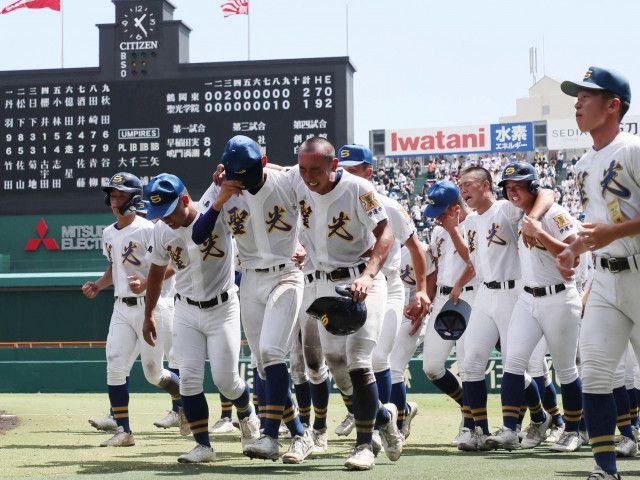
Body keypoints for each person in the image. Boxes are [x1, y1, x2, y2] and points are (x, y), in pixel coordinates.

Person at [192, 136, 314, 464]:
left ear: (263, 163)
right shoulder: (223, 190)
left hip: (286, 272)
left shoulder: (287, 179)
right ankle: (301, 435)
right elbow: (198, 234)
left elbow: (315, 208)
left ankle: (271, 437)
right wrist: (219, 198)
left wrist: (305, 245)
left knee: (273, 352)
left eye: (247, 175)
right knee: (262, 362)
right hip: (250, 279)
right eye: (236, 176)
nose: (242, 183)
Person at [287, 136, 404, 470]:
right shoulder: (299, 180)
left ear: (332, 165)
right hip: (317, 281)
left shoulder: (357, 189)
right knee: (334, 363)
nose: (309, 176)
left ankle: (364, 445)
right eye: (303, 168)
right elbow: (275, 175)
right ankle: (383, 416)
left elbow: (386, 232)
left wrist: (368, 275)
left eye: (316, 170)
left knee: (357, 360)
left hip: (358, 280)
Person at [557, 66, 640, 480]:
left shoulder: (633, 149)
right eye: (577, 95)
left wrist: (615, 231)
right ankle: (605, 469)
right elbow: (595, 227)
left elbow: (612, 227)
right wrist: (574, 246)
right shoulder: (586, 162)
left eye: (587, 95)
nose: (577, 102)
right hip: (605, 279)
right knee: (594, 370)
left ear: (612, 105)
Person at [141, 173, 260, 463]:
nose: (164, 219)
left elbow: (247, 196)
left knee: (226, 380)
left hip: (223, 306)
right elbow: (155, 277)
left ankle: (246, 414)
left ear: (184, 200)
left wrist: (226, 180)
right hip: (185, 308)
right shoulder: (161, 231)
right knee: (189, 381)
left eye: (168, 212)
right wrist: (148, 315)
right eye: (158, 214)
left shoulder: (215, 212)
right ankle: (203, 445)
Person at [336, 144, 430, 452]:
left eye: (354, 169)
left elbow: (416, 249)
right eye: (343, 168)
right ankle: (391, 413)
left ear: (368, 172)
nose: (346, 175)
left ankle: (377, 428)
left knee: (377, 360)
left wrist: (420, 290)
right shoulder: (333, 200)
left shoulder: (387, 205)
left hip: (387, 286)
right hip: (349, 288)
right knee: (343, 362)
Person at [483, 162, 583, 453]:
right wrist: (532, 221)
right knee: (513, 362)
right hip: (527, 298)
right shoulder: (521, 214)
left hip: (560, 297)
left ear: (533, 186)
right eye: (508, 187)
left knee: (566, 370)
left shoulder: (555, 214)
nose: (512, 192)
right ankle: (510, 430)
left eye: (518, 186)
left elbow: (571, 257)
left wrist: (538, 231)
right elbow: (545, 194)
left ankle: (572, 431)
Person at [455, 165, 555, 450]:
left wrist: (533, 217)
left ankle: (531, 420)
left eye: (468, 184)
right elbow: (473, 262)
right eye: (460, 185)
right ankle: (479, 430)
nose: (463, 190)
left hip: (514, 292)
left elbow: (548, 192)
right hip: (486, 295)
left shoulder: (506, 209)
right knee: (471, 362)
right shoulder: (471, 222)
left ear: (486, 186)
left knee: (515, 365)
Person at [81, 172, 182, 447]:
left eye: (121, 195)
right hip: (121, 307)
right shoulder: (109, 233)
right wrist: (99, 285)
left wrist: (148, 282)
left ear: (135, 199)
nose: (115, 200)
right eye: (112, 195)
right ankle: (123, 431)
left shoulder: (150, 228)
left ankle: (184, 399)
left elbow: (176, 262)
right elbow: (115, 269)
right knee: (114, 364)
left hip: (152, 307)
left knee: (153, 374)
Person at [421, 180, 479, 447]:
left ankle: (470, 425)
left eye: (442, 212)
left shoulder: (476, 222)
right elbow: (434, 269)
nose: (437, 218)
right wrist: (426, 300)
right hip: (444, 297)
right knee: (431, 366)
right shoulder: (437, 231)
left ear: (456, 208)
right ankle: (468, 406)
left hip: (470, 295)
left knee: (468, 366)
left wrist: (453, 228)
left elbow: (474, 261)